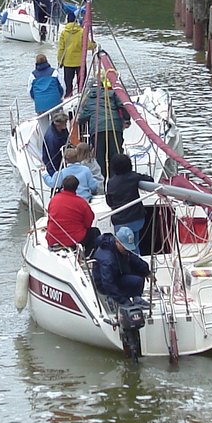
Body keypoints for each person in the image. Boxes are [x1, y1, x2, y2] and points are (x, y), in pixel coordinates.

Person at [91, 232, 151, 360]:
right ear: (117, 242)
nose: (127, 250)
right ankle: (120, 301)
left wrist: (147, 272)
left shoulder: (124, 251)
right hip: (105, 284)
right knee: (116, 292)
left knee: (138, 280)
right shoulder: (107, 259)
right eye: (125, 247)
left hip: (119, 275)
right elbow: (107, 284)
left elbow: (135, 260)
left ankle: (136, 297)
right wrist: (123, 301)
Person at [79, 68, 129, 187]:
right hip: (114, 128)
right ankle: (117, 184)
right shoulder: (113, 94)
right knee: (115, 155)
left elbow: (81, 118)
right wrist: (127, 120)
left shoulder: (90, 98)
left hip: (97, 130)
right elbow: (123, 106)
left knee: (100, 158)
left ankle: (102, 185)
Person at [104, 152, 153, 254]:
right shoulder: (134, 177)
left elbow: (109, 201)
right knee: (135, 243)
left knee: (124, 247)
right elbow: (150, 180)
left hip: (120, 220)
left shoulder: (111, 182)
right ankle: (137, 260)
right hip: (136, 218)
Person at [44, 175, 96, 250]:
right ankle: (87, 255)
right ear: (76, 187)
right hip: (74, 239)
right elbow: (89, 221)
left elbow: (50, 216)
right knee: (94, 232)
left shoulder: (54, 200)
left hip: (53, 238)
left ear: (63, 186)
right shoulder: (81, 202)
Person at [56, 17, 85, 96]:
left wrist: (60, 61)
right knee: (81, 84)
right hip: (80, 62)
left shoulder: (64, 33)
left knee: (68, 85)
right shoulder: (82, 32)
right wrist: (94, 45)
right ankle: (80, 97)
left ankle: (69, 99)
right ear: (76, 21)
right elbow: (87, 45)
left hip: (68, 63)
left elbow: (61, 49)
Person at [41, 112, 69, 177]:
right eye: (64, 122)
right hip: (54, 163)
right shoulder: (52, 138)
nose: (66, 123)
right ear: (58, 124)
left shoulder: (63, 129)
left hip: (63, 155)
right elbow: (53, 158)